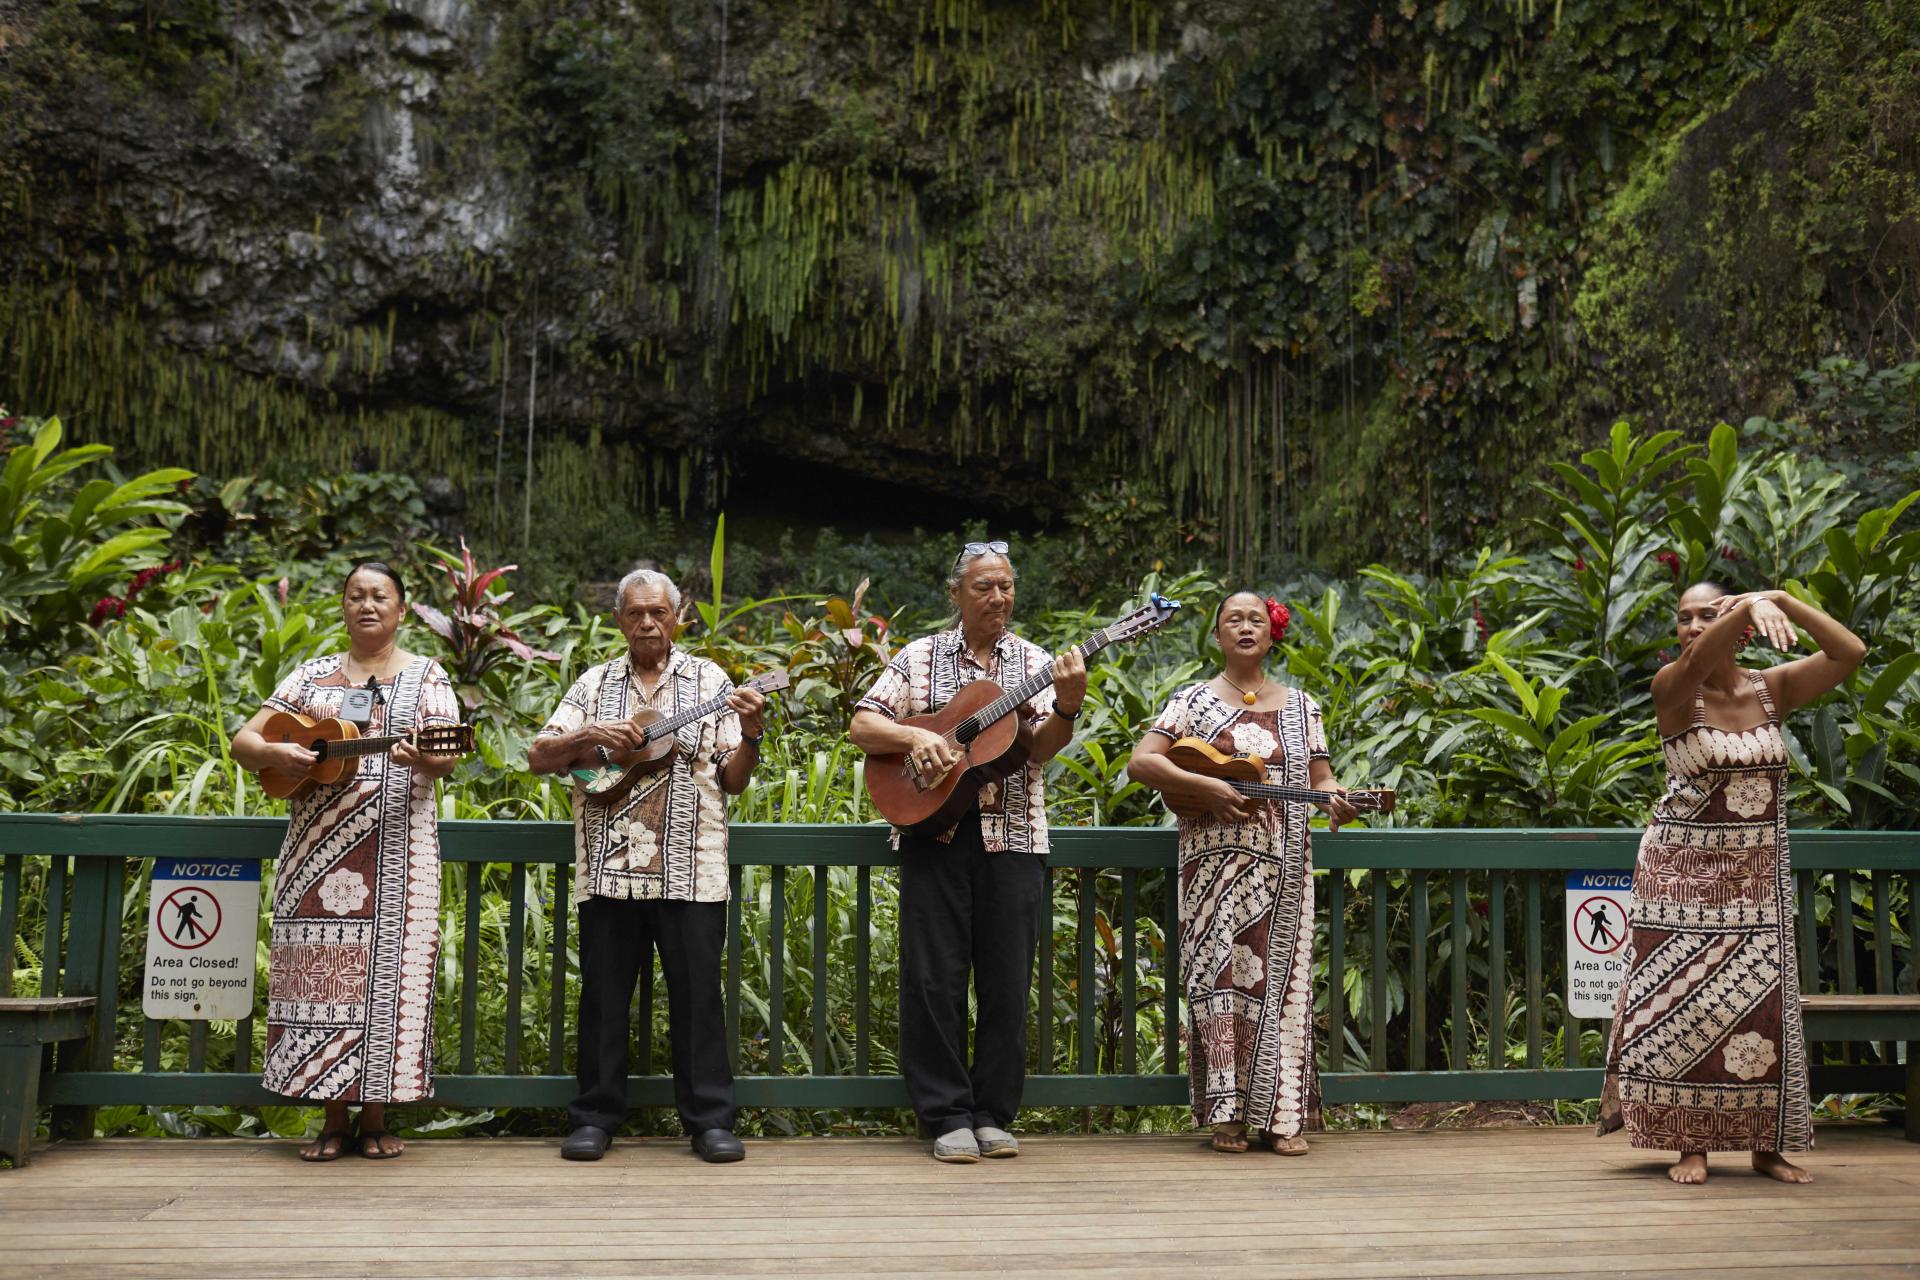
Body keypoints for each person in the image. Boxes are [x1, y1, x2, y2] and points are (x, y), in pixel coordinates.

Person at [1599, 582, 1865, 1185]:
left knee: (1763, 1012)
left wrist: (1782, 599)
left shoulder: (1772, 689)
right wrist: (1743, 607)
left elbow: (1850, 654)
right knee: (1678, 1012)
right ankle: (1688, 1142)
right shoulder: (1673, 688)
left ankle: (1766, 1147)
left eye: (1707, 614)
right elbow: (1695, 662)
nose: (1692, 626)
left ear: (1742, 627)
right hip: (1679, 876)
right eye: (1683, 618)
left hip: (1758, 877)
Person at [848, 541, 1086, 1163]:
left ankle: (993, 1114)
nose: (999, 598)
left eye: (1006, 586)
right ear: (956, 595)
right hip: (934, 835)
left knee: (1008, 981)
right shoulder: (918, 657)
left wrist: (1067, 703)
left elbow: (1040, 751)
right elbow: (864, 724)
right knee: (934, 981)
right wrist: (917, 738)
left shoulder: (1034, 661)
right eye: (984, 587)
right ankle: (946, 1115)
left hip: (1014, 839)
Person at [528, 569, 766, 1164]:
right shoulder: (593, 683)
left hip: (692, 868)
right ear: (619, 620)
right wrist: (587, 731)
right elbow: (539, 756)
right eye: (635, 613)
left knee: (697, 998)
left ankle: (709, 1120)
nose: (647, 623)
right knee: (604, 997)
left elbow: (733, 780)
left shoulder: (709, 680)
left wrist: (753, 734)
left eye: (658, 613)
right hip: (609, 870)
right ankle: (594, 1117)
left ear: (678, 616)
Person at [231, 562, 461, 1161]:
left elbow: (447, 759)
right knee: (319, 982)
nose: (367, 605)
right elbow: (244, 742)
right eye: (356, 595)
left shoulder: (427, 676)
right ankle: (332, 1121)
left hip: (397, 858)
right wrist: (278, 750)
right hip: (314, 859)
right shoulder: (309, 677)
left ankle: (378, 1117)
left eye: (380, 596)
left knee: (389, 980)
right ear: (343, 606)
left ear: (401, 610)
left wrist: (424, 759)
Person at [1126, 591, 1356, 1155]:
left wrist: (1336, 799)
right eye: (1234, 619)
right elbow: (1142, 761)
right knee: (1216, 984)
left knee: (1280, 988)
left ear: (1272, 634)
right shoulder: (1191, 701)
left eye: (1257, 619)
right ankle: (1227, 1117)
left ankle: (1282, 1120)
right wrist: (1204, 785)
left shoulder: (1302, 706)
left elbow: (1321, 779)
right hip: (1209, 870)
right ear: (1218, 634)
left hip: (1283, 868)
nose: (1245, 626)